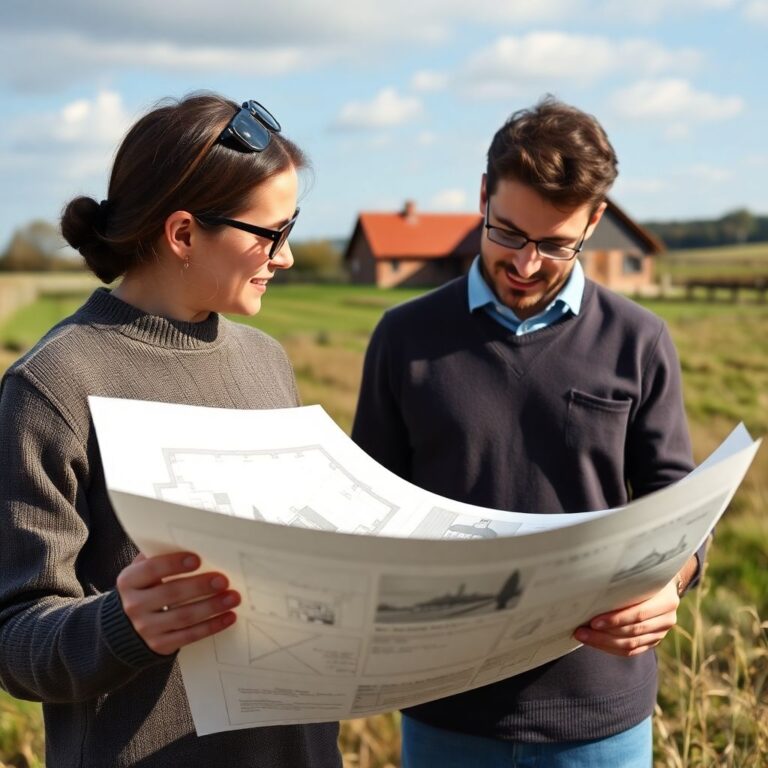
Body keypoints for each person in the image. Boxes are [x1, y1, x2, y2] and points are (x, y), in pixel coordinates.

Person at [352, 96, 704, 767]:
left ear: (596, 221)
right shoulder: (403, 338)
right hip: (445, 706)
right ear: (483, 196)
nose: (525, 263)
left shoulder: (640, 340)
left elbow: (678, 500)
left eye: (555, 244)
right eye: (507, 232)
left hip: (601, 719)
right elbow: (366, 507)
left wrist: (674, 579)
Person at [0, 93, 341, 767]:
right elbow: (14, 640)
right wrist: (118, 626)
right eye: (270, 234)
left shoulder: (266, 362)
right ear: (183, 234)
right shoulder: (54, 385)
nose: (288, 257)